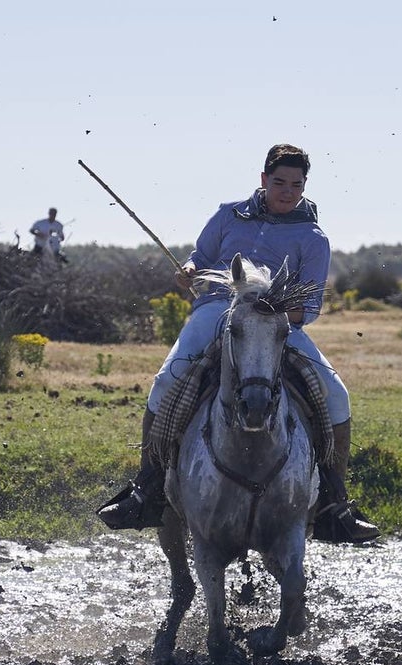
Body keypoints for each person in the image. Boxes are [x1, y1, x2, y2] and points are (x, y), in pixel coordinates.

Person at [97, 143, 379, 544]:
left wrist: (271, 312)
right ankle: (147, 487)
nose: (287, 192)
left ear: (305, 186)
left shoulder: (313, 237)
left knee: (337, 394)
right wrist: (189, 271)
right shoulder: (227, 214)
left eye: (296, 185)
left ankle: (336, 504)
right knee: (166, 380)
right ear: (263, 179)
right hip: (215, 311)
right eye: (279, 182)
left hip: (277, 324)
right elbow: (201, 257)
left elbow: (310, 307)